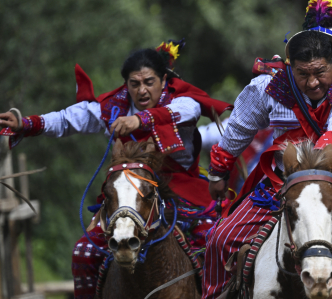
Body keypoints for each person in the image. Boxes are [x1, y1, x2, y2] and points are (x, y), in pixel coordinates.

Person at [0, 40, 232, 299]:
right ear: (126, 85)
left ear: (164, 80)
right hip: (126, 192)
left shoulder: (181, 101)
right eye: (135, 84)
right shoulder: (114, 107)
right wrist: (27, 123)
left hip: (180, 191)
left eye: (149, 82)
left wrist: (139, 120)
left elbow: (185, 111)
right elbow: (68, 119)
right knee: (83, 253)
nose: (142, 90)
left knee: (217, 242)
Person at [202, 1, 332, 298]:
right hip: (282, 187)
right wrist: (219, 170)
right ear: (290, 68)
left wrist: (308, 166)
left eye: (320, 72)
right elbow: (239, 129)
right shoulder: (268, 86)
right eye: (302, 74)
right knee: (220, 239)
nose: (312, 82)